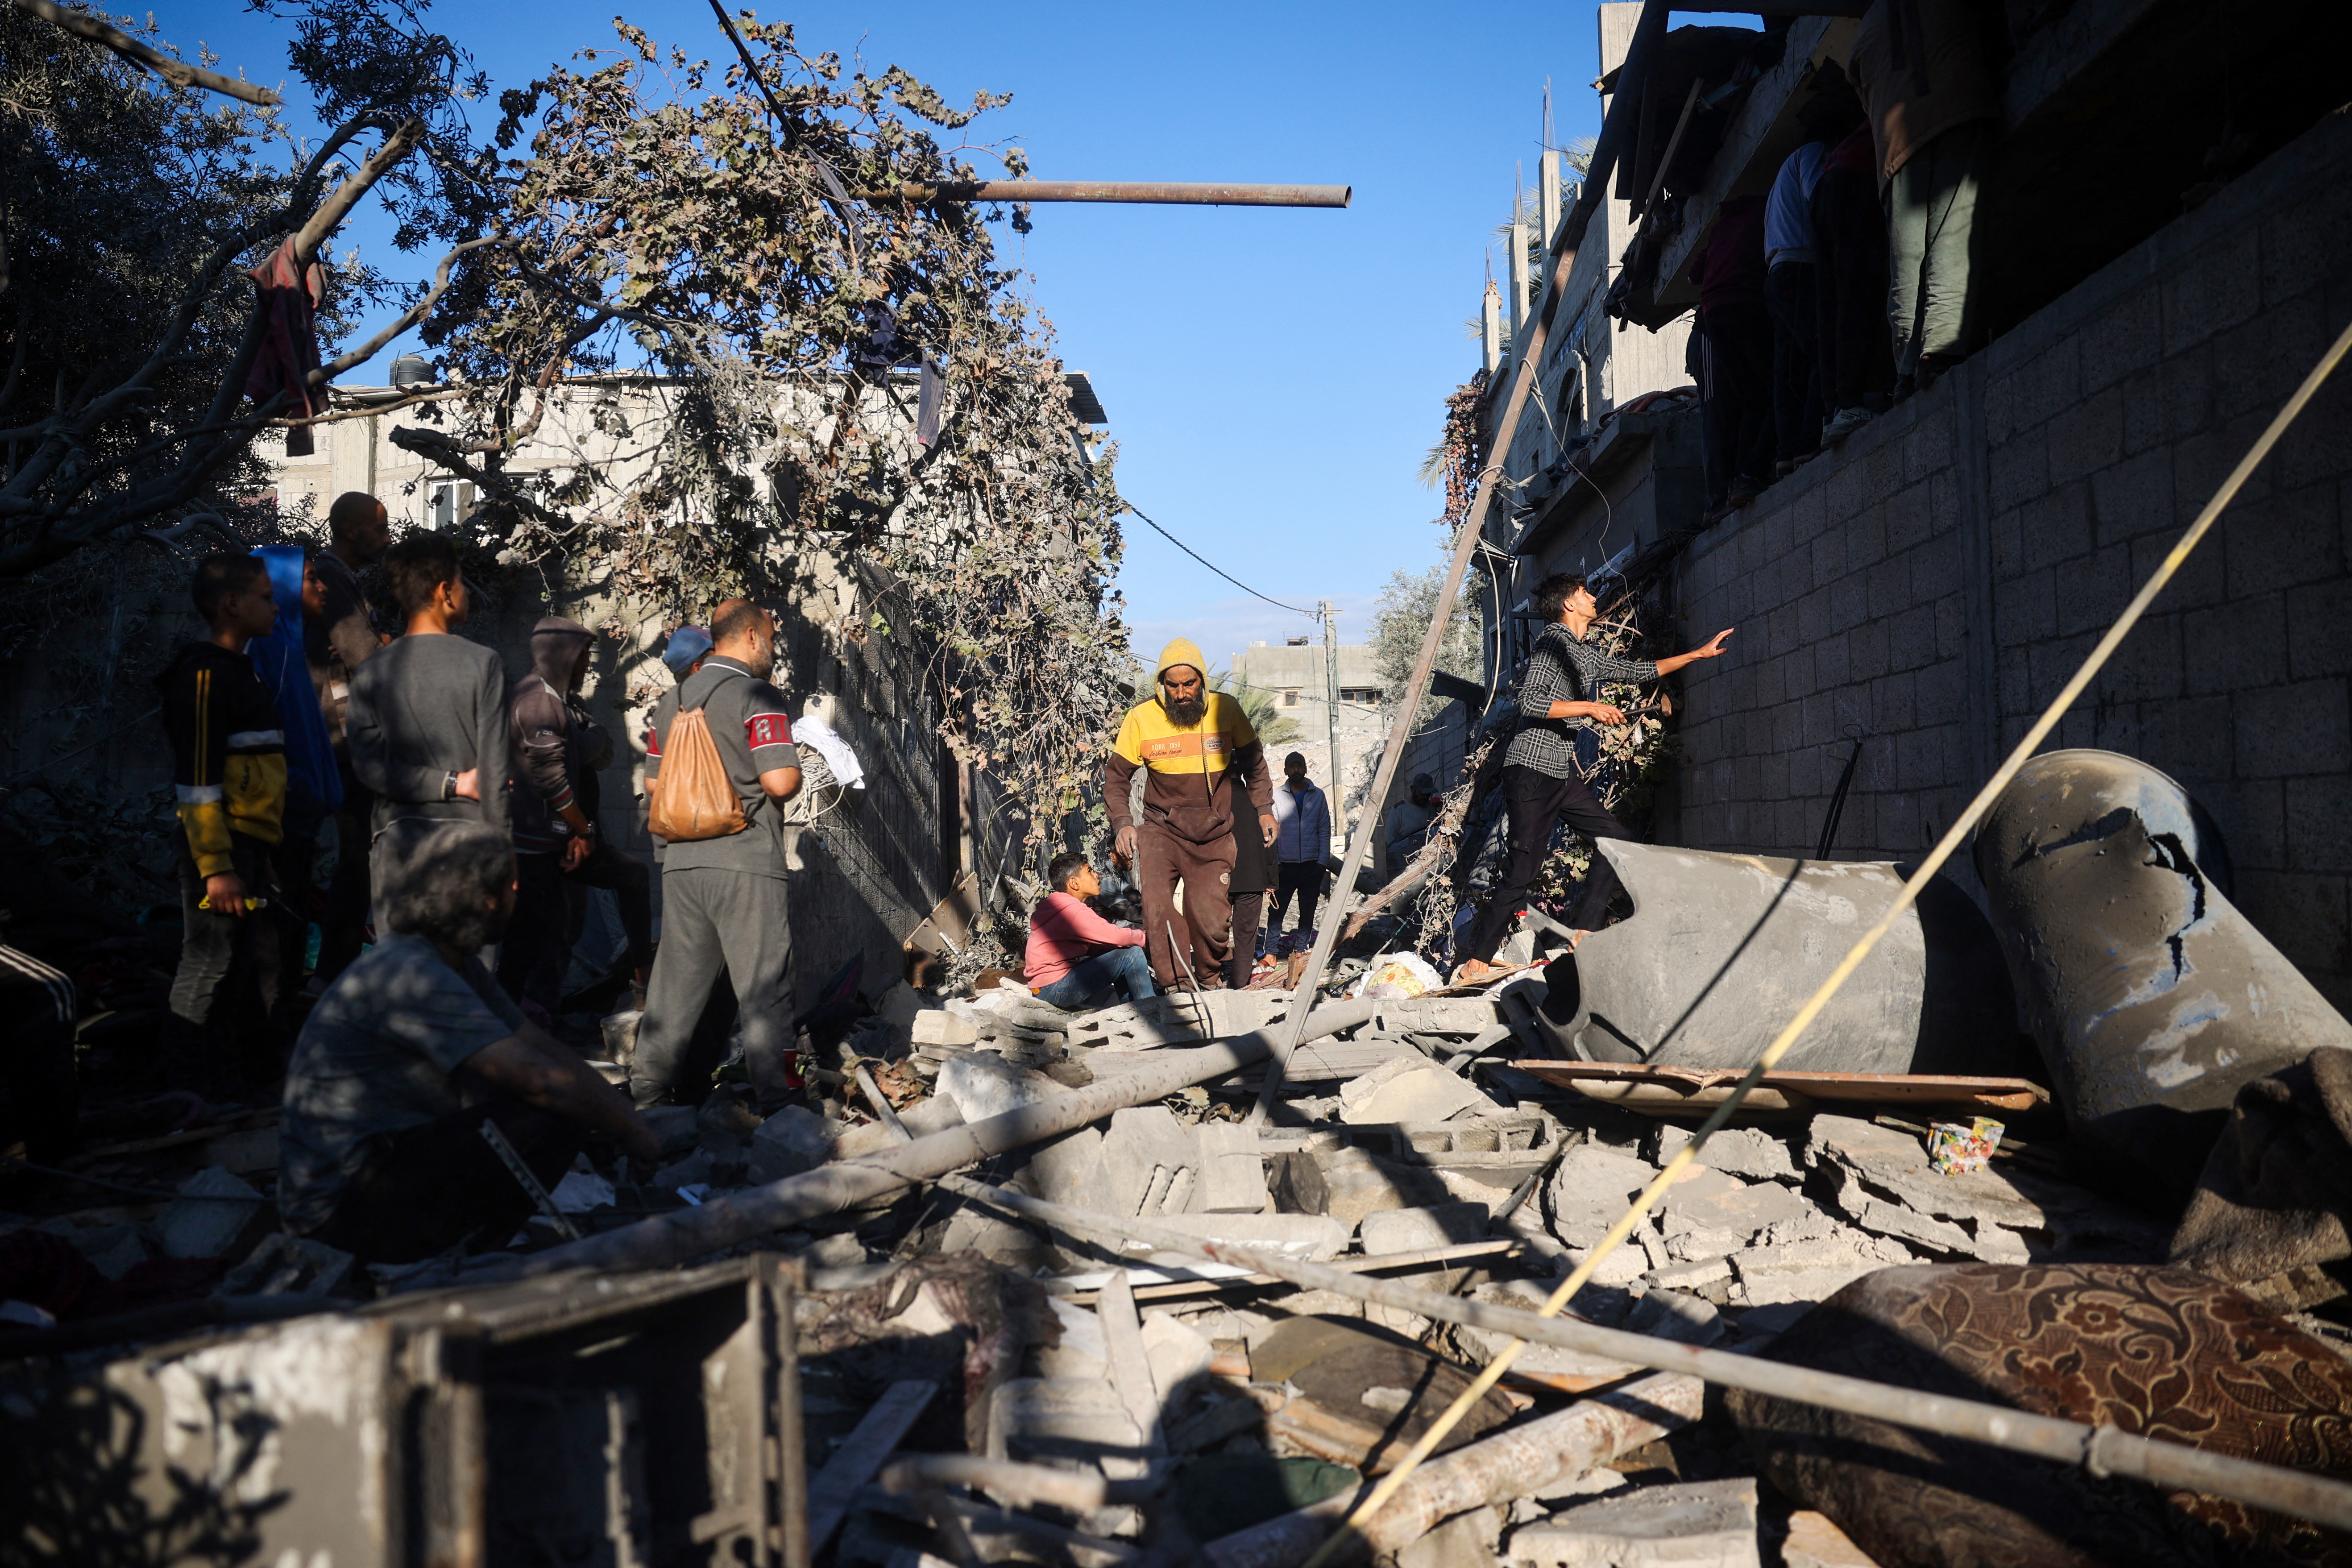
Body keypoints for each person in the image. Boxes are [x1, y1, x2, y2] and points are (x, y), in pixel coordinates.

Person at [278, 821, 660, 1263]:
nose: (519, 892)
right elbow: (540, 1080)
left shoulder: (454, 963)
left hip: (377, 1170)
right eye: (511, 883)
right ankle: (457, 1258)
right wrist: (630, 1130)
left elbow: (540, 1046)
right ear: (483, 898)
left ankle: (468, 1250)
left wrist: (626, 1118)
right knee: (553, 1112)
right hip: (336, 1212)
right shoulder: (414, 972)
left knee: (565, 1102)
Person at [1456, 573, 1734, 979]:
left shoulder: (1580, 652)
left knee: (1616, 840)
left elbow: (1638, 671)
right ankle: (1477, 960)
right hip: (1532, 771)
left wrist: (1696, 656)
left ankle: (1584, 929)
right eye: (1584, 593)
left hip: (1558, 772)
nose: (1592, 597)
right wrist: (1588, 707)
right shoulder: (1554, 643)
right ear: (1569, 605)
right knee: (1521, 871)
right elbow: (1530, 702)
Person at [630, 599, 804, 1109]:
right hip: (746, 860)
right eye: (770, 638)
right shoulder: (757, 694)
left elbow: (655, 783)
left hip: (682, 864)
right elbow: (779, 779)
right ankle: (778, 1102)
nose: (772, 648)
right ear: (750, 636)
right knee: (764, 986)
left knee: (674, 989)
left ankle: (647, 1096)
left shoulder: (672, 701)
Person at [157, 552, 298, 1057]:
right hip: (219, 854)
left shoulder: (245, 672)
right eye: (266, 597)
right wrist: (216, 868)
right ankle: (183, 1087)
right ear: (232, 605)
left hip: (249, 854)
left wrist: (264, 858)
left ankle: (223, 1081)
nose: (277, 607)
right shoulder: (204, 675)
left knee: (242, 962)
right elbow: (197, 781)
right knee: (209, 960)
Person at [344, 532, 512, 928]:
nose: (465, 594)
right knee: (465, 978)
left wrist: (445, 783)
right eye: (461, 584)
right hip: (469, 844)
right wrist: (505, 858)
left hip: (396, 846)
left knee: (403, 979)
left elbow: (368, 768)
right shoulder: (483, 664)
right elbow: (495, 774)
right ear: (444, 592)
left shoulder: (371, 671)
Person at [1103, 639, 1274, 991]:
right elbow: (1116, 778)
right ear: (1161, 685)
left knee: (1210, 920)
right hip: (1160, 832)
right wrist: (1122, 823)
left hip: (1214, 834)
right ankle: (1176, 986)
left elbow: (1255, 765)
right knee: (1158, 910)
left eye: (1189, 684)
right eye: (1172, 685)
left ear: (1202, 682)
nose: (1181, 694)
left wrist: (1264, 811)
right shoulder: (1141, 718)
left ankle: (1208, 978)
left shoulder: (1226, 710)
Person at [1849, 0, 1999, 392]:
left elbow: (1863, 92)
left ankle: (1906, 368)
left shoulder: (1866, 28)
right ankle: (1939, 352)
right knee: (1951, 234)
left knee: (1907, 258)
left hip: (1897, 147)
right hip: (1955, 111)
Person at [307, 491, 390, 981]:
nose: (386, 538)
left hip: (343, 738)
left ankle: (333, 969)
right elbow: (366, 656)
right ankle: (333, 971)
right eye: (380, 528)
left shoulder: (342, 580)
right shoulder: (332, 579)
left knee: (356, 860)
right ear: (353, 530)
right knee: (356, 860)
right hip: (342, 739)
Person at [501, 617, 600, 1011]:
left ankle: (532, 1025)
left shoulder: (547, 697)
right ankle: (519, 1033)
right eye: (584, 656)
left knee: (548, 938)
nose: (588, 665)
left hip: (546, 843)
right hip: (531, 850)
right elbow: (550, 779)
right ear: (566, 656)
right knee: (528, 947)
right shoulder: (539, 700)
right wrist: (584, 829)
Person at [1808, 70, 1885, 446]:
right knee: (1857, 292)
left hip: (1826, 194)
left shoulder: (1835, 152)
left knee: (1831, 303)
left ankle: (1834, 411)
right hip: (1853, 184)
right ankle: (1851, 404)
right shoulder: (1883, 112)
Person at [1686, 193, 1774, 517]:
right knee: (1724, 408)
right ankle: (1720, 498)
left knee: (1746, 400)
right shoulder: (1765, 211)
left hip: (1715, 316)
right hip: (1730, 318)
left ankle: (1741, 480)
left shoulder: (1722, 228)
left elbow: (1692, 275)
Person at [1764, 129, 1829, 475]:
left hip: (1776, 274)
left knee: (1788, 370)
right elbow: (1820, 194)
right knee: (1821, 350)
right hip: (1800, 267)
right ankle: (1809, 442)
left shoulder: (1776, 185)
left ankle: (1786, 453)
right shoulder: (1813, 150)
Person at [1025, 852, 1155, 1011]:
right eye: (1089, 871)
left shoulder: (1059, 907)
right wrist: (1145, 939)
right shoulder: (1073, 911)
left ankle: (1132, 1010)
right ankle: (1151, 1011)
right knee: (1132, 954)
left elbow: (1095, 946)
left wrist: (1118, 946)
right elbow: (1114, 935)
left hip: (1045, 987)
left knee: (1123, 953)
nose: (1096, 875)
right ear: (1074, 883)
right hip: (1056, 988)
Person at [1269, 752, 1332, 937]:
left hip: (1311, 865)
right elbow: (1273, 832)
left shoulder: (1318, 795)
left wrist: (1322, 863)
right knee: (1276, 911)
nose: (1296, 770)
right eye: (1292, 766)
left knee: (1308, 911)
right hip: (1285, 867)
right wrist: (1277, 863)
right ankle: (1271, 951)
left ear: (1305, 769)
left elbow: (1324, 830)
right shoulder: (1277, 796)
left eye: (1299, 766)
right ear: (1286, 771)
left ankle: (1301, 948)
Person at [1225, 769, 1273, 989]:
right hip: (1253, 881)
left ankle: (1213, 978)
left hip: (1220, 878)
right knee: (1245, 937)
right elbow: (1271, 840)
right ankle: (1240, 984)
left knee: (1216, 931)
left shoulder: (1214, 802)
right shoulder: (1259, 804)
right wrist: (1271, 881)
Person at [1386, 772, 1439, 876]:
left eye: (1428, 794)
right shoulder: (1400, 808)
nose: (1425, 797)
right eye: (1422, 793)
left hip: (1428, 862)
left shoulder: (1432, 809)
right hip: (1405, 863)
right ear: (1412, 789)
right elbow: (1391, 840)